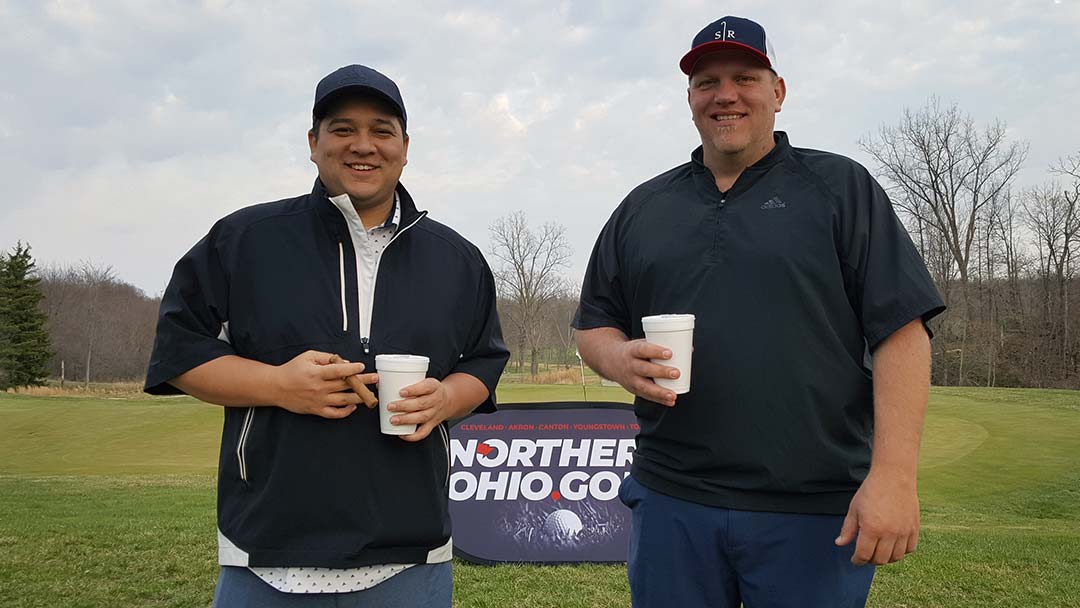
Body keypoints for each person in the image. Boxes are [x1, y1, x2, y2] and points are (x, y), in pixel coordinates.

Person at [574, 16, 945, 608]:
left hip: (812, 508)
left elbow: (902, 331)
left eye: (745, 76)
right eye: (707, 81)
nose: (725, 94)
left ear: (777, 91)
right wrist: (618, 358)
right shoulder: (643, 207)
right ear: (690, 98)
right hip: (672, 499)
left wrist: (895, 478)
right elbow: (593, 323)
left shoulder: (839, 188)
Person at [145, 64, 509, 607]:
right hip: (264, 552)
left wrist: (448, 397)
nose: (363, 145)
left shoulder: (457, 259)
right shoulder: (244, 240)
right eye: (342, 129)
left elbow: (483, 360)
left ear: (405, 147)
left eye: (382, 130)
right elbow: (178, 353)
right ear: (313, 144)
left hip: (411, 553)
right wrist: (277, 385)